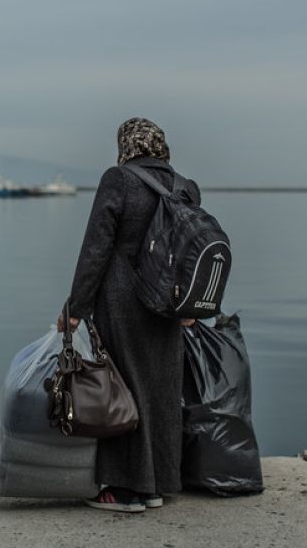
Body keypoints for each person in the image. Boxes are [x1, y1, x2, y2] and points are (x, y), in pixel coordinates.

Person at [57, 117, 200, 513]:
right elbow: (190, 251)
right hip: (168, 305)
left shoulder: (118, 180)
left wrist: (75, 308)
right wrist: (189, 306)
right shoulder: (184, 186)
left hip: (123, 301)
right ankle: (160, 484)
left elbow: (96, 248)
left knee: (122, 388)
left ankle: (124, 490)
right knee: (162, 392)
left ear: (126, 145)